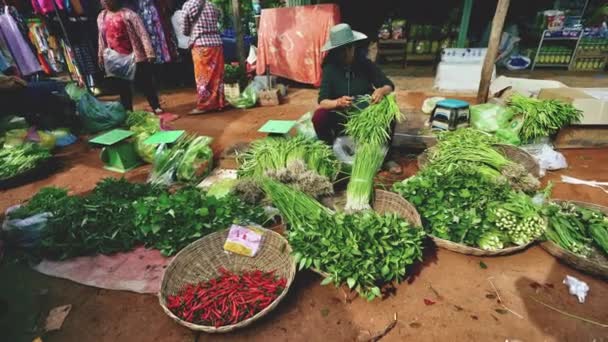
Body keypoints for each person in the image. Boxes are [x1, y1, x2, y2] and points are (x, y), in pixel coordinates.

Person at [313, 23, 395, 145]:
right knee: (319, 117)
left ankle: (384, 155)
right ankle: (329, 150)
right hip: (340, 115)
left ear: (353, 47)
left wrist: (380, 91)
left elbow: (389, 85)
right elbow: (322, 101)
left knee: (389, 115)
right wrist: (337, 102)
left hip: (365, 113)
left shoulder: (365, 65)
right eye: (340, 50)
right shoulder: (330, 69)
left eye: (348, 48)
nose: (345, 53)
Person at [97, 0, 163, 113]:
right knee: (122, 86)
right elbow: (101, 37)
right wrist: (101, 54)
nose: (106, 3)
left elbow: (142, 33)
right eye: (103, 1)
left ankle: (155, 106)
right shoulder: (101, 17)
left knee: (145, 82)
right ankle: (128, 110)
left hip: (135, 56)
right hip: (115, 58)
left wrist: (149, 52)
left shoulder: (129, 14)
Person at [181, 0, 225, 114]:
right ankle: (219, 102)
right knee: (216, 75)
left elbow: (184, 29)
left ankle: (204, 105)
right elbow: (218, 19)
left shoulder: (188, 5)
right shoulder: (212, 5)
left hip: (201, 44)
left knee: (202, 77)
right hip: (216, 43)